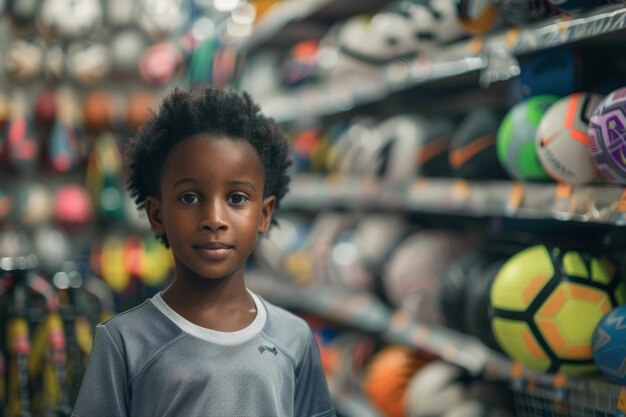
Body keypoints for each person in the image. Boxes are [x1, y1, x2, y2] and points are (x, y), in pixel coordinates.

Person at [72, 86, 336, 417]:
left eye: (237, 198)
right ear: (157, 215)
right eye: (190, 198)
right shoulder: (124, 342)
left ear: (264, 215)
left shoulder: (294, 336)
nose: (214, 219)